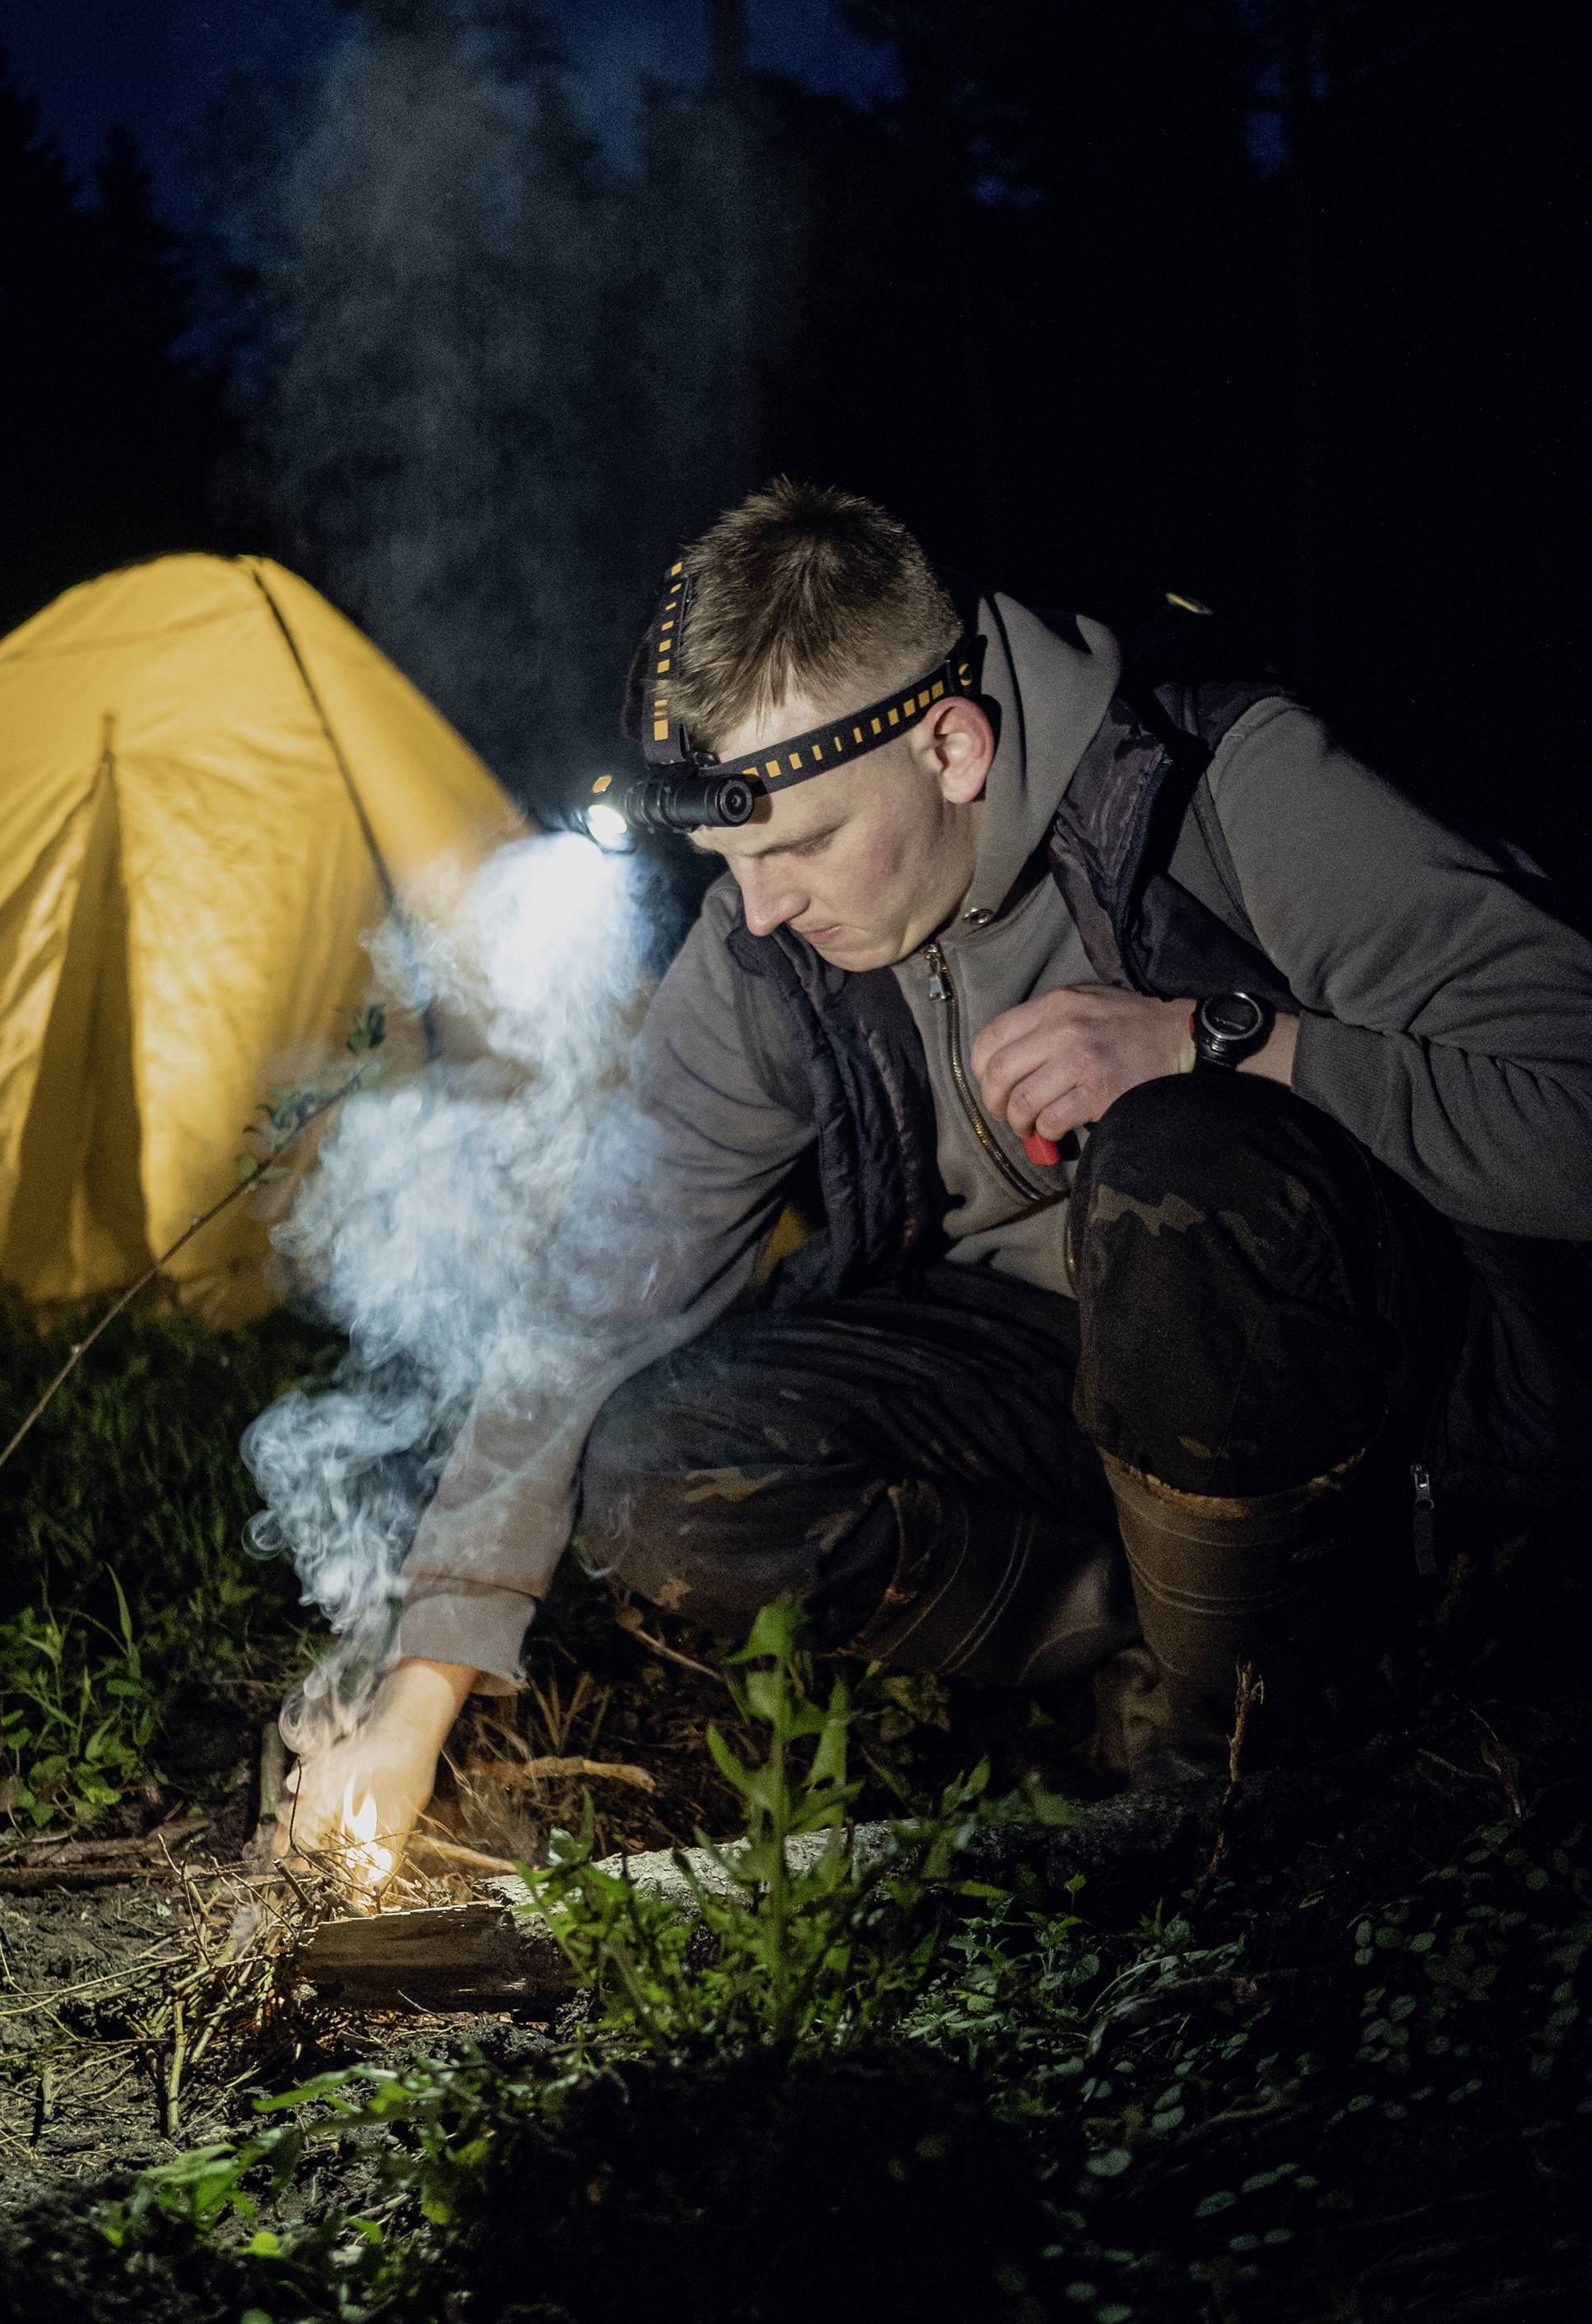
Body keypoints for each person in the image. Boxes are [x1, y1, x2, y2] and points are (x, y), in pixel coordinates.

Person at [276, 479, 1592, 1861]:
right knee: (666, 1463)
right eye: (732, 861)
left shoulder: (1232, 782)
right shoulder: (765, 946)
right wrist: (417, 1699)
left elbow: (1567, 1103)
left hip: (1348, 1391)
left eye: (800, 845)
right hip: (1053, 1378)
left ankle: (1243, 1739)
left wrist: (1224, 1040)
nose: (766, 905)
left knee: (1170, 1157)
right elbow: (593, 1293)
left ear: (953, 746)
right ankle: (1144, 1644)